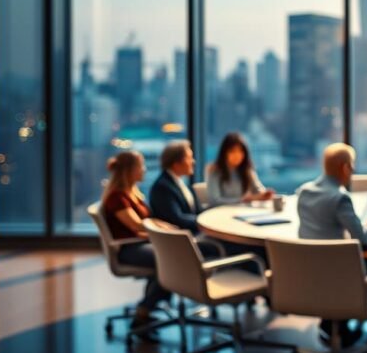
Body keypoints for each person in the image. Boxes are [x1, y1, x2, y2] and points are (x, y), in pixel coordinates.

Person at [100, 150, 216, 341]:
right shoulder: (117, 197)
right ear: (130, 170)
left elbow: (150, 220)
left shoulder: (132, 193)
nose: (144, 170)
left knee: (172, 257)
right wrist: (164, 233)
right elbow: (138, 225)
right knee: (170, 260)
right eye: (141, 166)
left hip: (141, 242)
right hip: (129, 248)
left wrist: (166, 229)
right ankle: (143, 312)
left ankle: (148, 306)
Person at [295, 142, 367, 346]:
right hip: (338, 274)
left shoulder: (304, 191)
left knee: (336, 265)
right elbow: (362, 237)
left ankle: (332, 320)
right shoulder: (339, 198)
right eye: (351, 166)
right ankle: (345, 320)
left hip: (308, 271)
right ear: (345, 168)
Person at [205, 132, 275, 207]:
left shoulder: (247, 169)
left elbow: (257, 189)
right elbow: (214, 201)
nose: (237, 155)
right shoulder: (215, 170)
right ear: (224, 153)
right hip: (220, 213)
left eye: (240, 151)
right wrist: (243, 200)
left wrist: (264, 194)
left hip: (243, 212)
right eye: (232, 151)